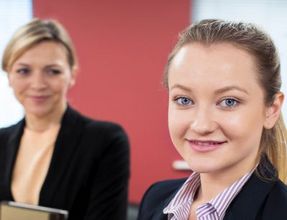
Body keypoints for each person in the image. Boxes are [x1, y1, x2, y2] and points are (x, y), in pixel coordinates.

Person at [137, 19, 287, 220]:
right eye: (184, 99)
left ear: (271, 109)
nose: (201, 125)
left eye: (229, 102)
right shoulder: (155, 199)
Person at [0, 18, 130, 220]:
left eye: (53, 71)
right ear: (9, 76)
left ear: (72, 74)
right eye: (24, 71)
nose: (38, 84)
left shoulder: (105, 141)